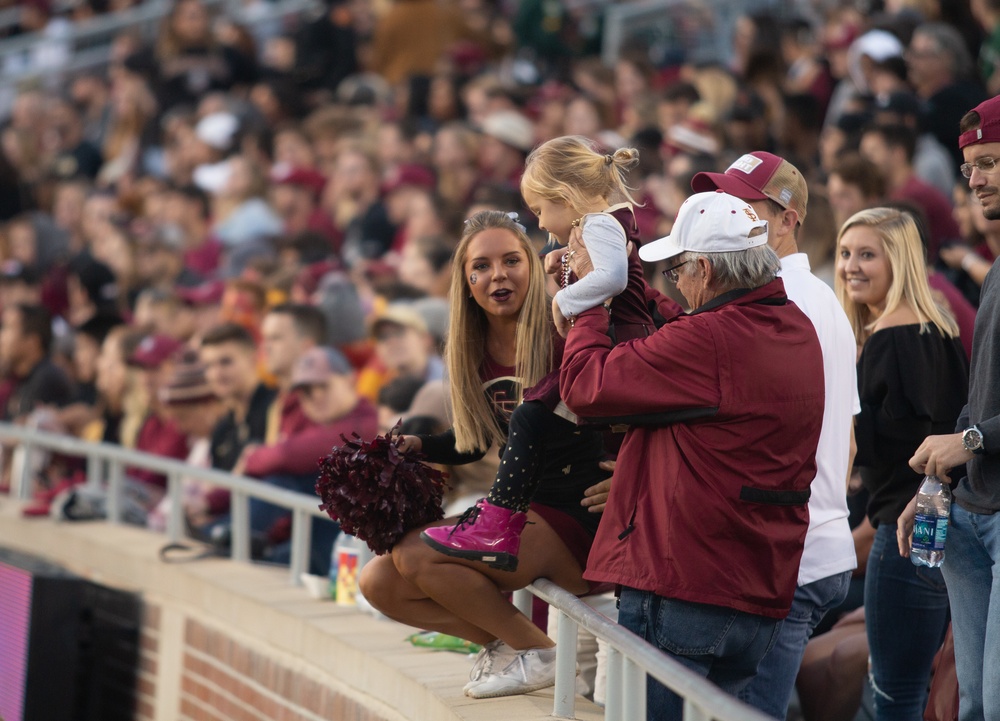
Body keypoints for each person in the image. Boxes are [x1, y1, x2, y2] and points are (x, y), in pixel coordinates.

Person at [560, 191, 826, 720]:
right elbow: (687, 335)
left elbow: (585, 386)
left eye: (676, 270)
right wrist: (631, 280)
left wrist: (587, 299)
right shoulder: (795, 326)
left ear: (704, 267)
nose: (673, 284)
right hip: (758, 590)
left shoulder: (708, 341)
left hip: (686, 587)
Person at [360, 210, 610, 700]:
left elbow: (629, 401)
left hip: (580, 513)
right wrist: (421, 447)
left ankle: (537, 656)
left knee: (417, 555)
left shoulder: (566, 325)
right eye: (482, 266)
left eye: (511, 260)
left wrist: (633, 474)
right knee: (379, 582)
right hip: (520, 510)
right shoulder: (470, 347)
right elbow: (477, 438)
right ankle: (519, 645)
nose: (498, 275)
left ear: (533, 267)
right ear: (466, 279)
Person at [421, 135, 653, 572]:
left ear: (564, 197)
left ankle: (498, 517)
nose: (544, 225)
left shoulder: (599, 223)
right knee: (534, 411)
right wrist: (561, 264)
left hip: (621, 342)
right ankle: (500, 516)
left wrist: (561, 300)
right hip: (617, 342)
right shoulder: (596, 226)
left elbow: (613, 278)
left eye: (542, 211)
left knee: (531, 413)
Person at [691, 150, 858, 720]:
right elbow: (847, 440)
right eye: (727, 203)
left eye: (748, 206)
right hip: (810, 541)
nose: (733, 216)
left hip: (788, 549)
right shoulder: (819, 299)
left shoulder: (782, 300)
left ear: (789, 219)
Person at [835, 207, 968, 720]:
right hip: (945, 530)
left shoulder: (890, 338)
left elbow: (912, 450)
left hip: (905, 533)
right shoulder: (941, 327)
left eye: (867, 254)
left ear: (901, 261)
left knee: (894, 694)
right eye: (846, 254)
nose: (850, 266)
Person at [904, 94, 1000, 721]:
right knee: (972, 705)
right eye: (969, 167)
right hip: (966, 510)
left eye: (990, 161)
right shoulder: (994, 273)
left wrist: (967, 444)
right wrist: (937, 480)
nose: (976, 179)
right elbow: (979, 397)